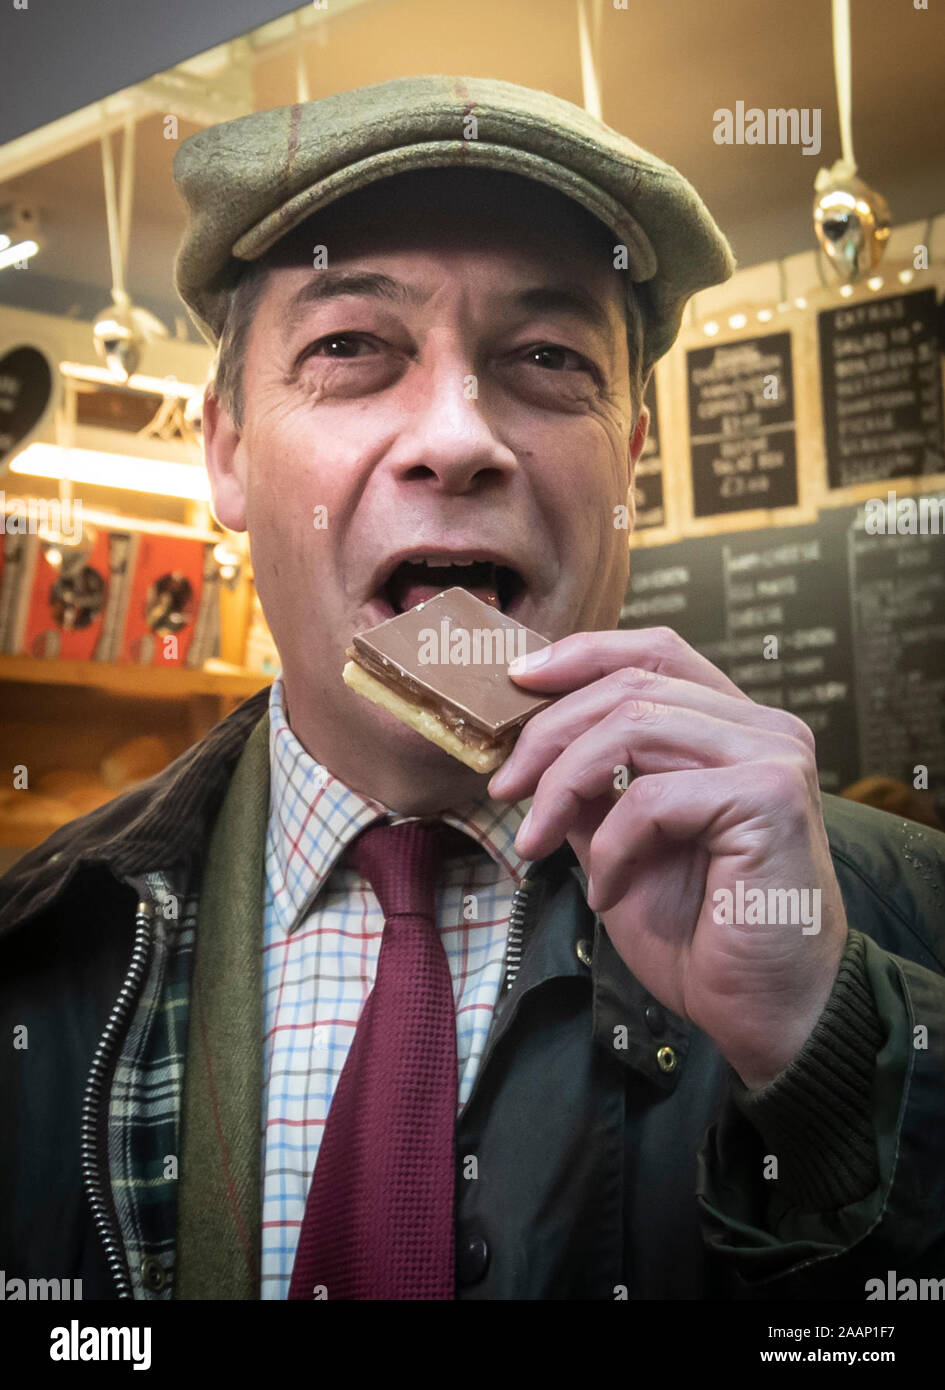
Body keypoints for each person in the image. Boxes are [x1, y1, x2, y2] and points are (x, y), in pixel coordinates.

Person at [1, 75, 943, 1302]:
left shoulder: (895, 922)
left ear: (634, 461)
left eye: (547, 357)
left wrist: (830, 1048)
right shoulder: (38, 946)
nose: (459, 435)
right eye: (350, 347)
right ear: (226, 451)